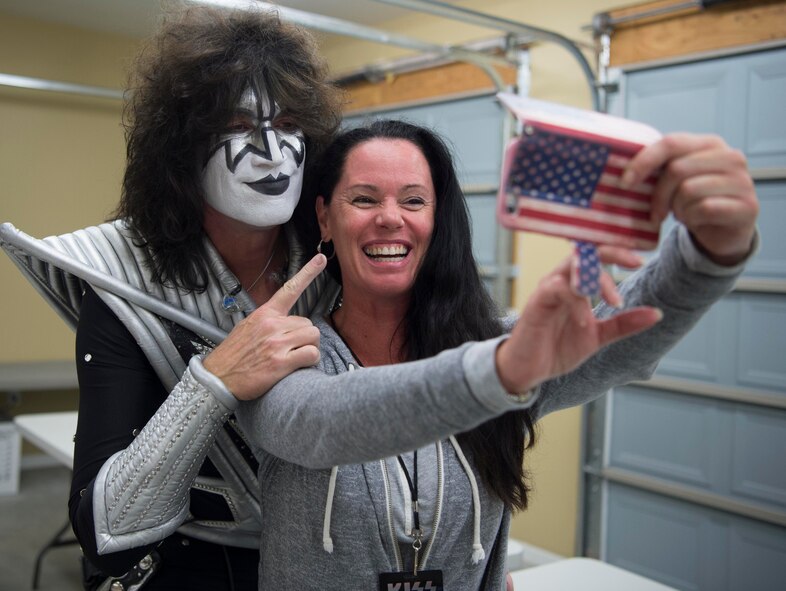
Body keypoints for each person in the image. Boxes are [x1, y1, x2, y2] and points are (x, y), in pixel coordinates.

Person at [235, 119, 759, 589]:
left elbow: (622, 333)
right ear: (325, 217)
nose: (390, 218)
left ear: (438, 219)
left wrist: (712, 250)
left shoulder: (492, 344)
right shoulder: (283, 354)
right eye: (365, 199)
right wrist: (499, 373)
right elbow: (328, 422)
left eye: (414, 200)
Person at [1, 5, 342, 590]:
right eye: (236, 127)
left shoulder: (340, 255)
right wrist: (213, 382)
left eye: (287, 122)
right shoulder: (122, 281)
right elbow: (107, 532)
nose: (269, 150)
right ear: (181, 150)